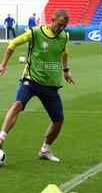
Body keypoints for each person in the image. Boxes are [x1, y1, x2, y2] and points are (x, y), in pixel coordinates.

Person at [0, 8, 74, 162]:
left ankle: (45, 151)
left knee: (58, 120)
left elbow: (64, 52)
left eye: (64, 26)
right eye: (59, 24)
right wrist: (4, 64)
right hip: (31, 79)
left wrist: (66, 70)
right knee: (17, 105)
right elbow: (13, 43)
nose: (61, 28)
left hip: (51, 84)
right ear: (52, 20)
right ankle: (1, 139)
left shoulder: (63, 37)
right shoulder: (35, 32)